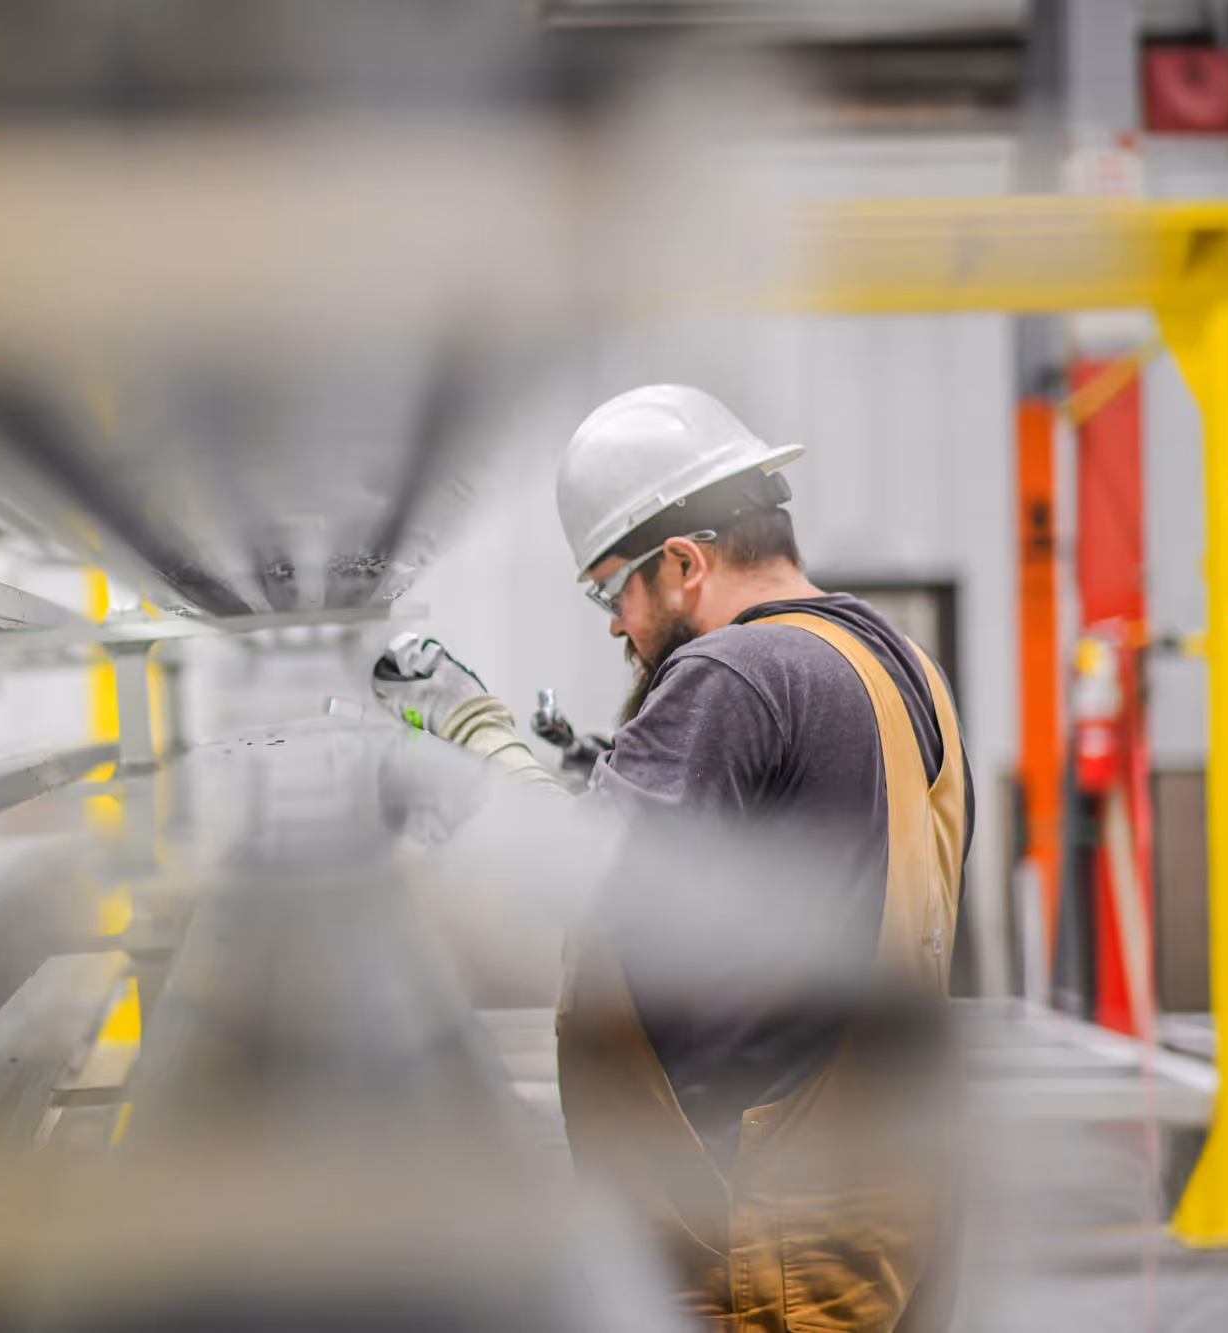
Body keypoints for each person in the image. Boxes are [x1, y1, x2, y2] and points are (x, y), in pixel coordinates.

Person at [371, 384, 971, 1333]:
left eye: (615, 588)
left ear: (685, 561)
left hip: (757, 1227)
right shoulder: (891, 661)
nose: (617, 623)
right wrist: (585, 767)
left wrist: (466, 732)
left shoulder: (734, 673)